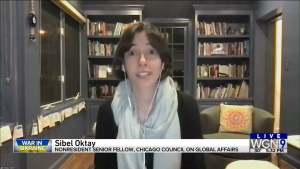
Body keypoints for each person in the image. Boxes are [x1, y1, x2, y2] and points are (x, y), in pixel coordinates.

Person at [94, 22, 206, 169]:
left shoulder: (186, 106)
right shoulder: (107, 112)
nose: (142, 61)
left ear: (163, 62)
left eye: (151, 52)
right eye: (132, 53)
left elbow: (196, 165)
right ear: (123, 63)